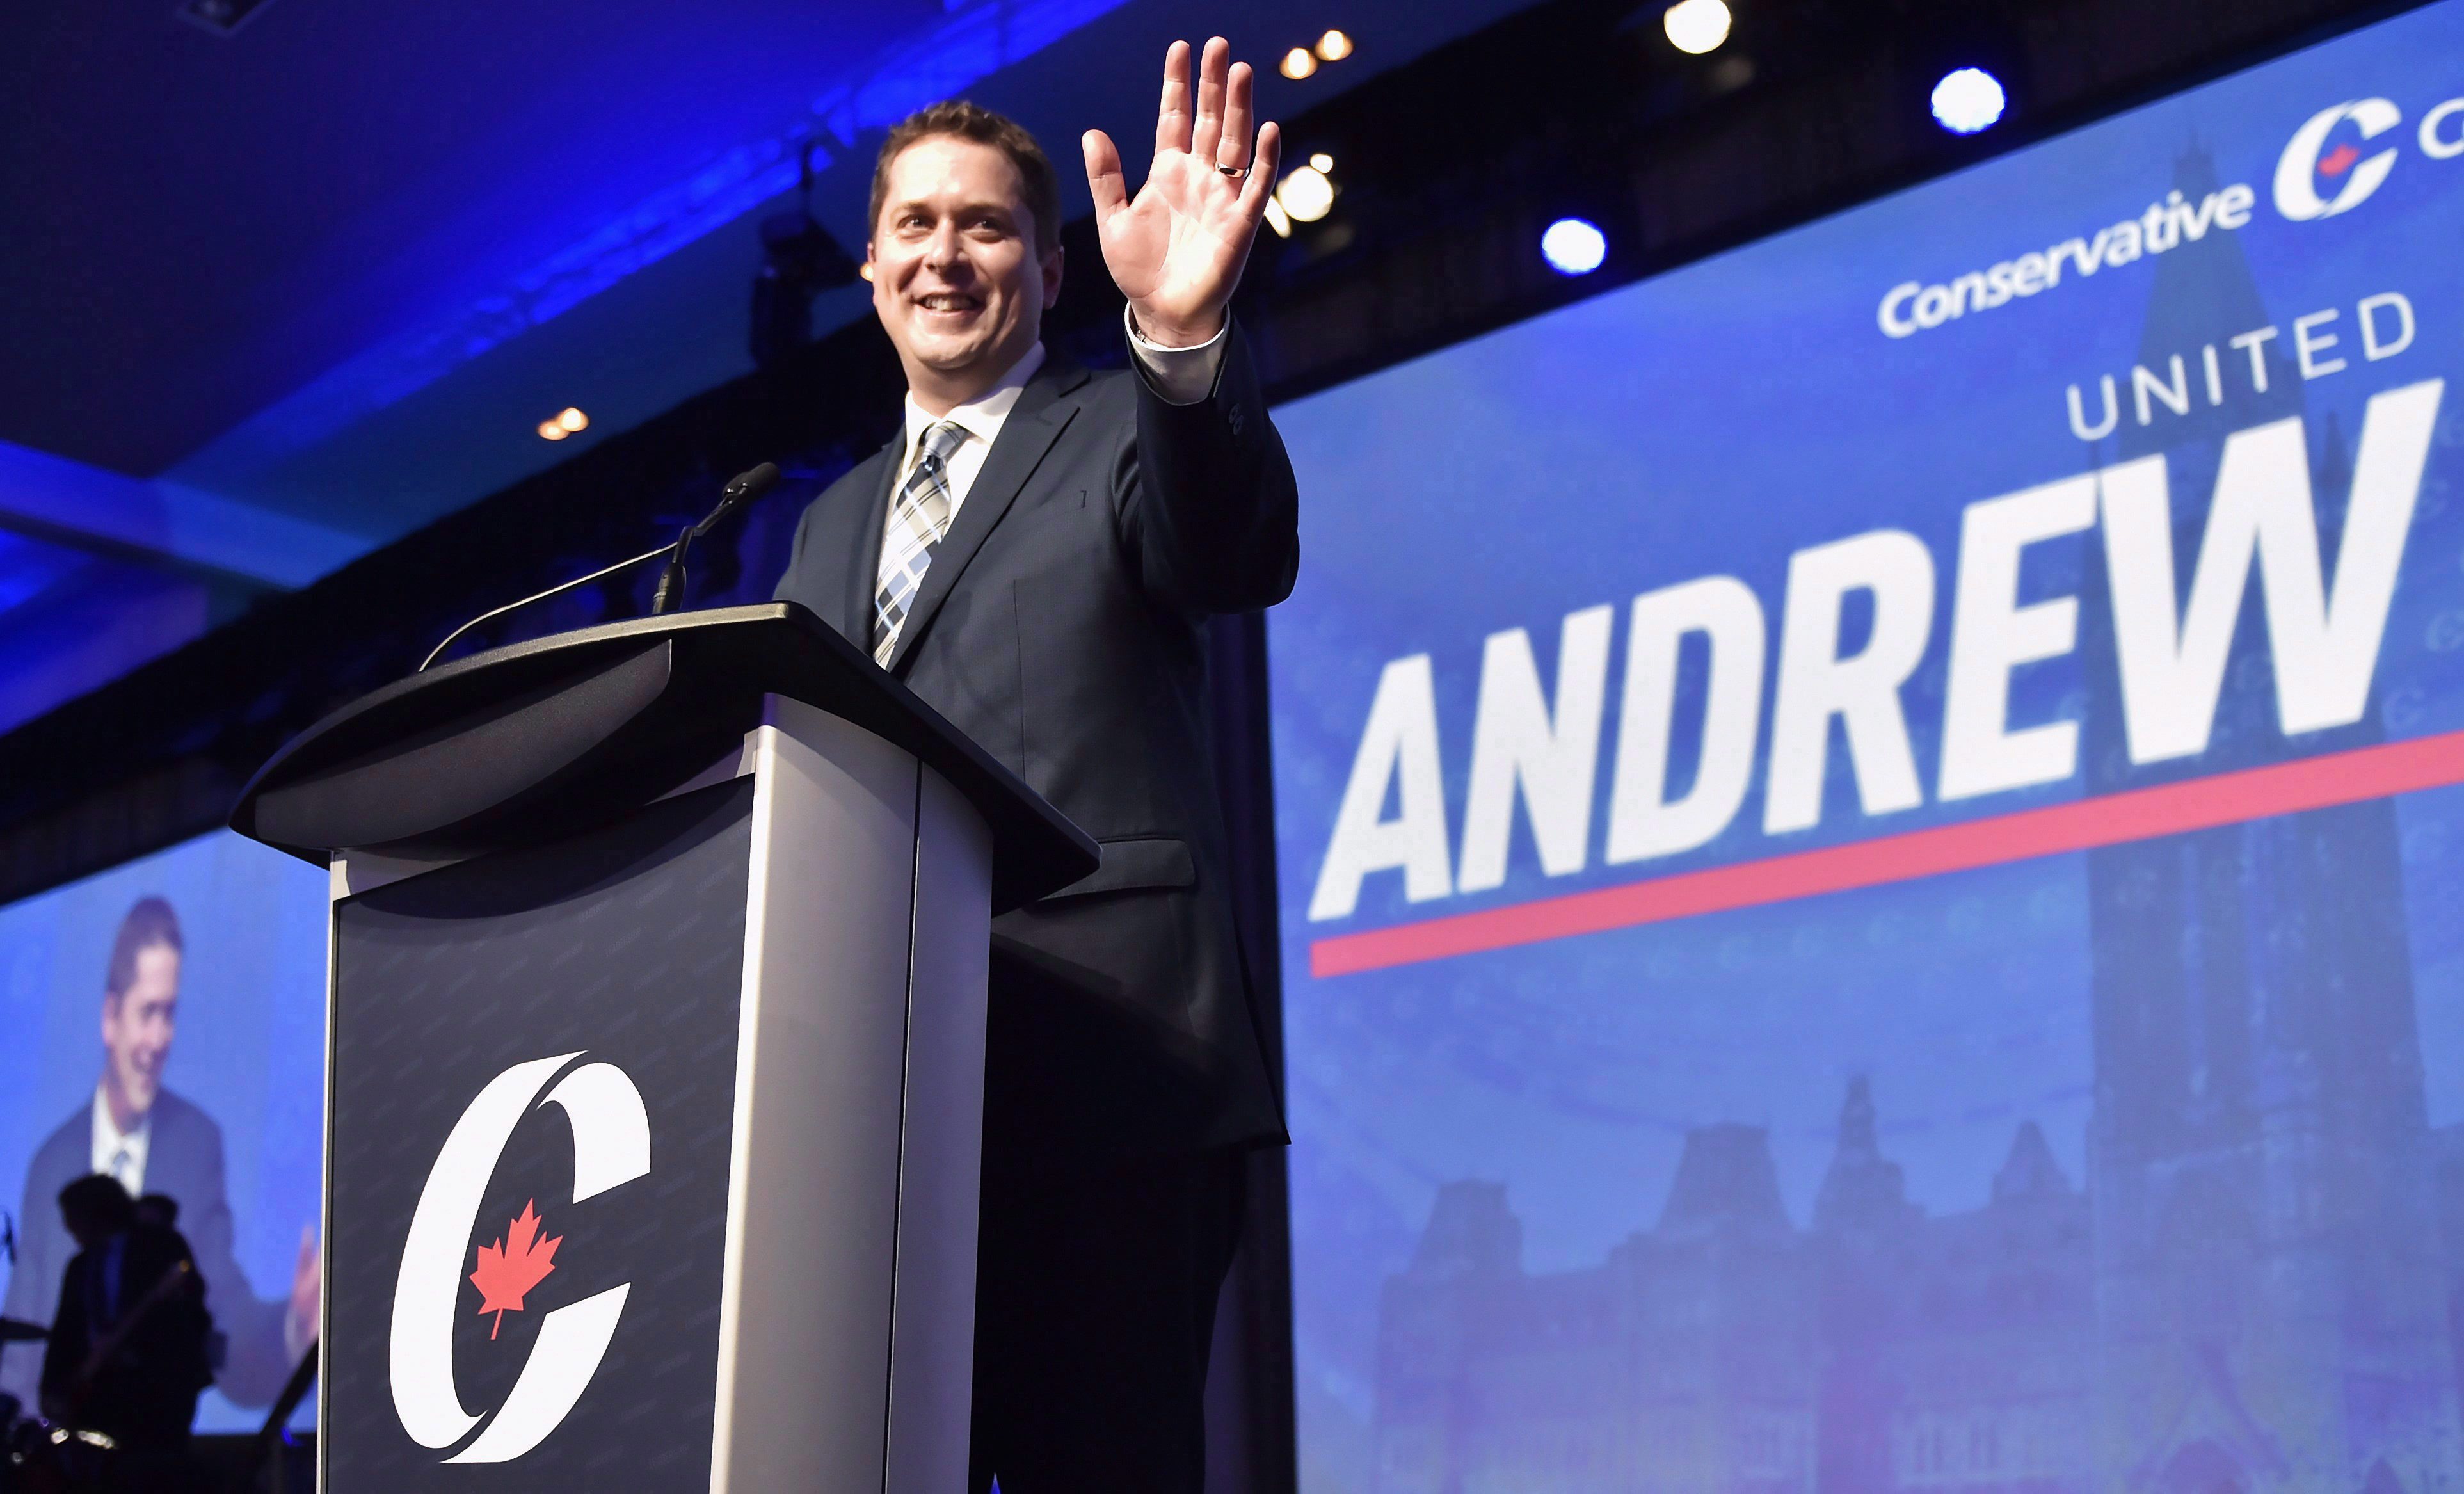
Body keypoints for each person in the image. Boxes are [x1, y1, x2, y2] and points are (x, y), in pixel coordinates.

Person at [769, 40, 1294, 1491]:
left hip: (1117, 1079)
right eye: (916, 225)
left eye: (986, 224)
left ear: (1051, 271)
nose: (947, 254)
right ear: (871, 269)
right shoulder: (821, 527)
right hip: (887, 1100)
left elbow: (1234, 549)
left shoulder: (1123, 425)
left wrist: (1182, 344)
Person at [0, 897, 317, 1418]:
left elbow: (224, 1317)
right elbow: (22, 1347)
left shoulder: (197, 1143)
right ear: (110, 1016)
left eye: (169, 1014)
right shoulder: (51, 1163)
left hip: (153, 1441)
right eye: (148, 1013)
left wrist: (291, 1330)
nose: (159, 1039)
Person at [40, 1175, 214, 1486]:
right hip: (100, 1395)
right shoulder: (80, 1265)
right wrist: (54, 1389)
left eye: (73, 1216)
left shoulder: (159, 1245)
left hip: (158, 1392)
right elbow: (66, 1332)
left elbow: (190, 1308)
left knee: (154, 1475)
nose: (68, 1226)